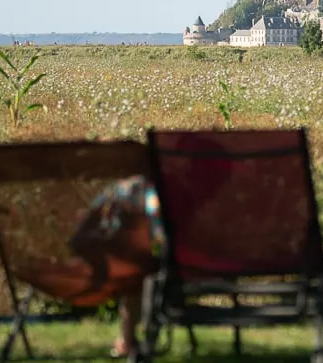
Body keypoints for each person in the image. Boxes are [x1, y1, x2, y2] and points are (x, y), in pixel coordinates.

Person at [69, 134, 233, 359]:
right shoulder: (171, 192)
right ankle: (132, 338)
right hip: (108, 251)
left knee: (140, 269)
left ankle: (127, 340)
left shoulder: (156, 184)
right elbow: (162, 240)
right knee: (146, 269)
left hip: (95, 245)